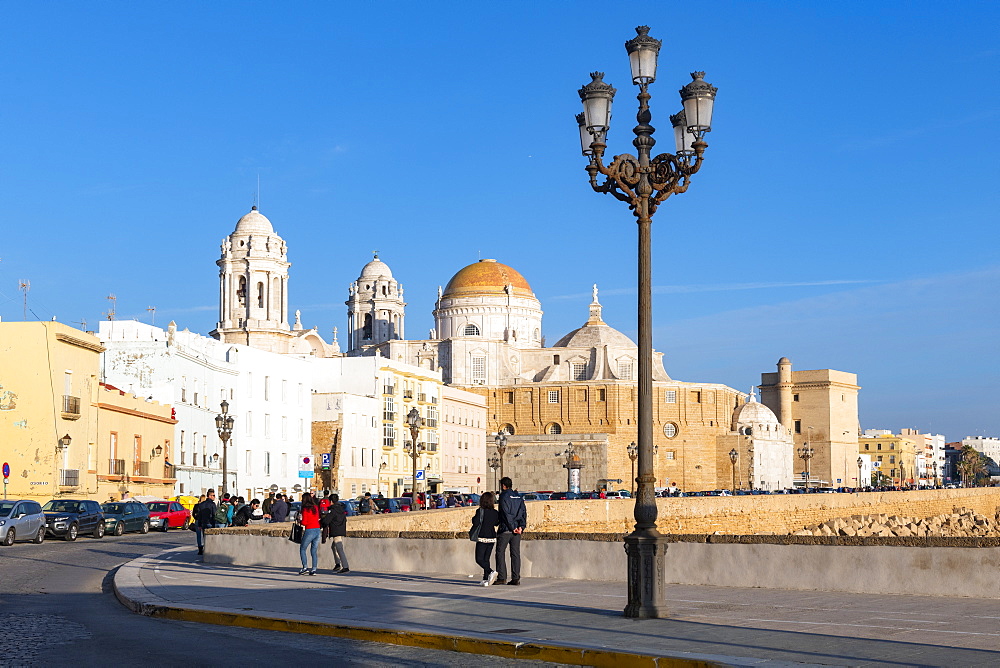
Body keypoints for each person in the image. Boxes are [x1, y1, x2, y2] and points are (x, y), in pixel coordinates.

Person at [496, 477, 527, 586]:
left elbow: (505, 513)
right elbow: (523, 512)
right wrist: (521, 527)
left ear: (503, 486)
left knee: (500, 552)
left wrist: (512, 526)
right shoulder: (518, 496)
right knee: (515, 554)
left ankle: (502, 577)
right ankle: (516, 577)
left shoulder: (503, 496)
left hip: (506, 529)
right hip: (517, 530)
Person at [472, 492, 501, 586]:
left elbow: (475, 522)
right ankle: (486, 578)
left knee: (479, 559)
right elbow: (497, 523)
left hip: (482, 536)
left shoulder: (480, 511)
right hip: (492, 537)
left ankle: (490, 571)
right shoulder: (495, 512)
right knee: (486, 558)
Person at [321, 493, 350, 573]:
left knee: (339, 549)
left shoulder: (333, 510)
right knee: (334, 547)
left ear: (331, 501)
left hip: (336, 531)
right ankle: (337, 564)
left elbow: (326, 521)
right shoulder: (341, 509)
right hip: (341, 530)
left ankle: (345, 566)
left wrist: (322, 521)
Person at [297, 492, 321, 575]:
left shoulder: (305, 509)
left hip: (309, 530)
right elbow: (317, 518)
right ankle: (314, 569)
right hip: (317, 530)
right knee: (313, 550)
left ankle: (305, 567)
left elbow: (304, 522)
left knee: (303, 549)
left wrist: (300, 520)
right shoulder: (315, 507)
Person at [194, 489, 218, 555]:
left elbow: (199, 515)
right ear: (209, 496)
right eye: (213, 495)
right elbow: (214, 514)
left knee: (205, 537)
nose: (214, 497)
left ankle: (203, 549)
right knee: (211, 537)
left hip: (203, 523)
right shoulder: (212, 504)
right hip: (210, 522)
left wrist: (199, 524)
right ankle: (209, 550)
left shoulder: (201, 505)